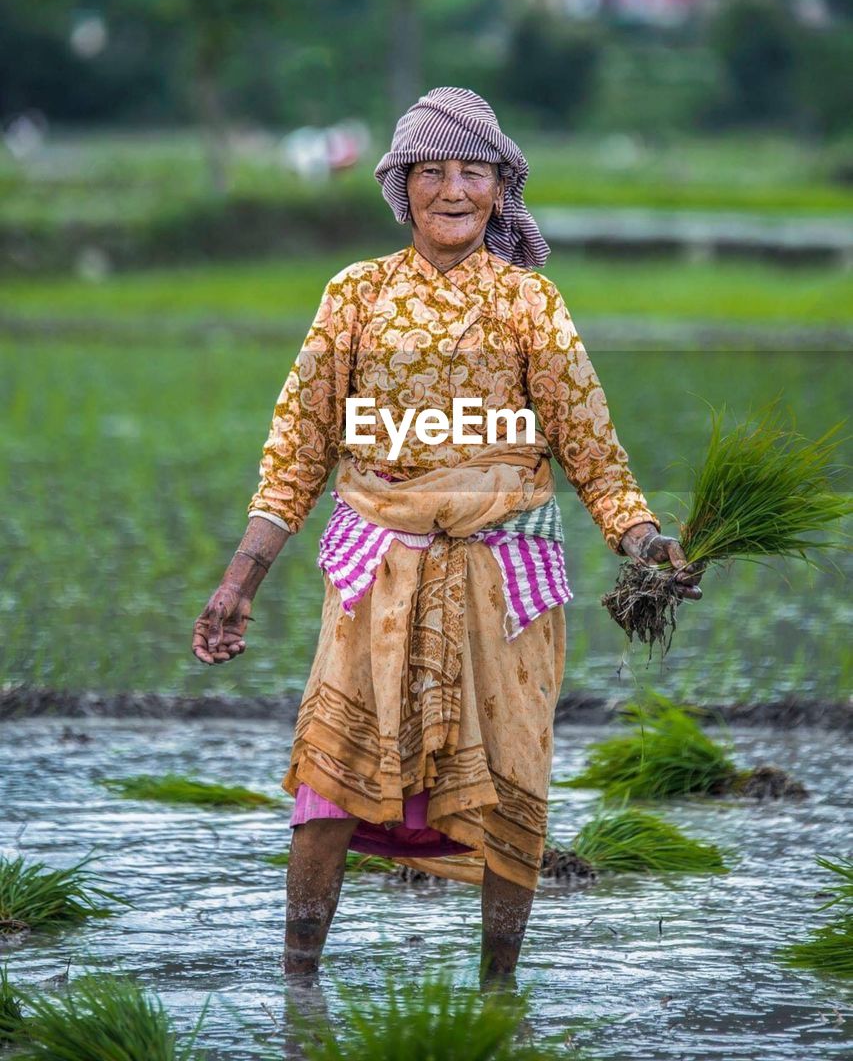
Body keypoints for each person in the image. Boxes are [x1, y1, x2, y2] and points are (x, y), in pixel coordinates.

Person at [191, 87, 703, 984]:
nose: (453, 189)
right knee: (327, 782)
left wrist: (644, 542)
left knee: (509, 784)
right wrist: (240, 580)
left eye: (473, 171)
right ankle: (297, 985)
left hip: (504, 576)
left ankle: (496, 991)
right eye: (433, 171)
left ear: (501, 189)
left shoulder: (530, 304)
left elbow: (592, 452)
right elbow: (298, 449)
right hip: (374, 570)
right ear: (402, 187)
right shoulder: (354, 294)